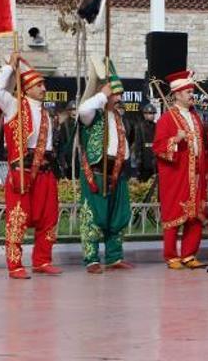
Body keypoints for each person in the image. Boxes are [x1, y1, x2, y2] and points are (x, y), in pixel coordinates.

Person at [0, 53, 61, 279]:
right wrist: (9, 69)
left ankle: (42, 260)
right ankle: (15, 265)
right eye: (39, 84)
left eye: (43, 84)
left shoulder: (47, 113)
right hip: (23, 171)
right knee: (18, 218)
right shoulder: (14, 105)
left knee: (49, 217)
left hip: (45, 171)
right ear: (28, 87)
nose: (43, 88)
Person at [76, 57, 133, 273]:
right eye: (115, 94)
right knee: (93, 215)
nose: (119, 98)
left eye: (119, 94)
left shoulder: (119, 117)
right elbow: (82, 110)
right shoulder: (94, 115)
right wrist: (102, 94)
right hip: (98, 172)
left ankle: (114, 256)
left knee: (117, 216)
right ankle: (91, 258)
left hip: (118, 173)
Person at [153, 70, 208, 270]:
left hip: (196, 174)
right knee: (174, 215)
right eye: (187, 92)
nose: (191, 95)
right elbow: (158, 147)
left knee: (195, 216)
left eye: (192, 91)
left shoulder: (196, 118)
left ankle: (189, 254)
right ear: (177, 94)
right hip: (177, 175)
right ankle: (171, 255)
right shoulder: (167, 119)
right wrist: (175, 140)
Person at [132, 103, 157, 182]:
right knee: (143, 183)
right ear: (145, 114)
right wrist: (138, 160)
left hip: (154, 159)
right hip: (144, 159)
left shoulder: (156, 126)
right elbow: (138, 144)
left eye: (153, 113)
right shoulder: (140, 127)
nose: (152, 115)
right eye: (150, 113)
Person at [56, 100, 77, 179]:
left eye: (75, 109)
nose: (74, 112)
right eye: (72, 110)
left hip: (79, 157)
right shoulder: (64, 125)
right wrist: (63, 160)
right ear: (68, 112)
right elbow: (61, 144)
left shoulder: (81, 124)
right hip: (68, 158)